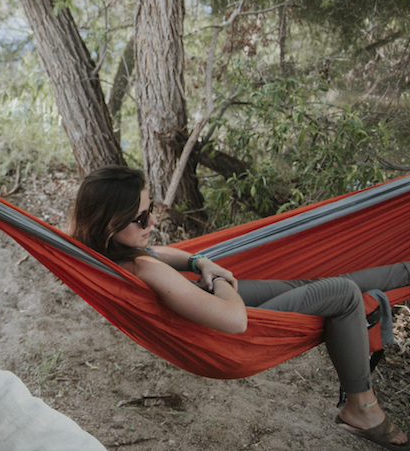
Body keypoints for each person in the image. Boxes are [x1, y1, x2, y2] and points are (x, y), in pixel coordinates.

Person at [66, 165, 410, 451]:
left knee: (318, 284)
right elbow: (234, 321)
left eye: (150, 208)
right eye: (141, 219)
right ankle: (362, 409)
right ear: (110, 224)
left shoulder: (108, 252)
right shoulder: (143, 270)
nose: (153, 222)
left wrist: (200, 260)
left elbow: (160, 252)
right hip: (222, 330)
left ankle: (404, 270)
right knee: (343, 292)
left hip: (207, 300)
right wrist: (217, 280)